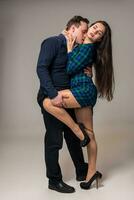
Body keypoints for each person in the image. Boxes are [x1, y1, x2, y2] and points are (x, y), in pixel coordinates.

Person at [43, 20, 115, 190]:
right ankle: (91, 174)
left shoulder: (87, 48)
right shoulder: (83, 46)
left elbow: (69, 68)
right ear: (90, 28)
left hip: (82, 91)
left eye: (99, 33)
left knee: (48, 102)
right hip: (82, 90)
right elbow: (77, 63)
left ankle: (77, 130)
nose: (95, 31)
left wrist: (69, 49)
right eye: (95, 27)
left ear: (99, 39)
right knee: (90, 133)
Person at [37, 16, 93, 193]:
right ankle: (54, 180)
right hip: (52, 97)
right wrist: (53, 95)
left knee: (73, 137)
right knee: (54, 140)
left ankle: (81, 170)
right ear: (72, 29)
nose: (85, 36)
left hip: (69, 98)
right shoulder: (52, 42)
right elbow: (41, 68)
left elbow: (74, 72)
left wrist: (88, 74)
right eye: (83, 31)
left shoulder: (75, 50)